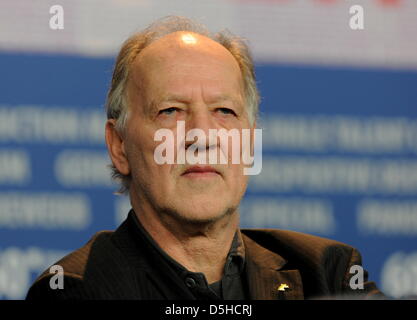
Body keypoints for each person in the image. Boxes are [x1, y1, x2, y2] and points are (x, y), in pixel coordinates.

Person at [26, 16, 384, 300]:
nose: (201, 135)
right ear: (119, 146)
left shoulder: (327, 274)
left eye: (225, 111)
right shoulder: (76, 290)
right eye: (170, 111)